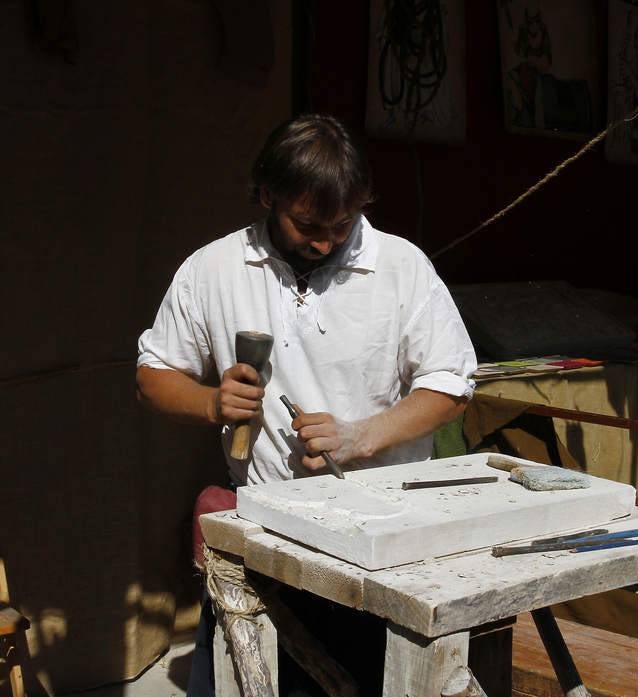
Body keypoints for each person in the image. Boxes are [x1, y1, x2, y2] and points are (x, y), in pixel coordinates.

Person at [136, 113, 477, 694]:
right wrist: (213, 403)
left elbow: (452, 385)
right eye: (308, 225)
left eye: (343, 225)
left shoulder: (401, 267)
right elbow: (155, 374)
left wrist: (362, 436)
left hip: (383, 535)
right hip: (269, 530)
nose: (325, 241)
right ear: (267, 194)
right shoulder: (214, 269)